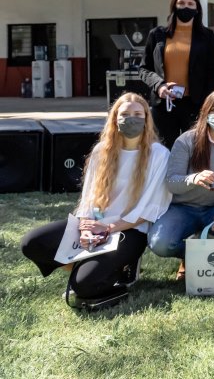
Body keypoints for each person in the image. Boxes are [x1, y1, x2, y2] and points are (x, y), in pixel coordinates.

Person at [21, 93, 171, 309]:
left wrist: (109, 227)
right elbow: (90, 198)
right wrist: (86, 229)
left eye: (138, 114)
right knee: (32, 243)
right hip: (96, 224)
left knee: (84, 287)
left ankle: (122, 269)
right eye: (125, 114)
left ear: (147, 118)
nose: (131, 118)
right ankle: (85, 262)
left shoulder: (159, 155)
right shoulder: (102, 151)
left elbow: (149, 208)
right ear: (114, 119)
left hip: (129, 230)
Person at [148, 88, 214, 277]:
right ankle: (191, 256)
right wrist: (193, 179)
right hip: (182, 208)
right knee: (160, 243)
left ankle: (210, 258)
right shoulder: (186, 141)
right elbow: (171, 182)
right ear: (206, 112)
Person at [139, 0, 214, 147]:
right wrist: (159, 86)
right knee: (164, 149)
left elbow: (213, 73)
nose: (185, 7)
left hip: (195, 104)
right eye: (181, 3)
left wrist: (207, 104)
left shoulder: (207, 36)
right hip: (164, 105)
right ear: (174, 5)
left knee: (195, 150)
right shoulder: (157, 34)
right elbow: (144, 69)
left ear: (197, 8)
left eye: (190, 4)